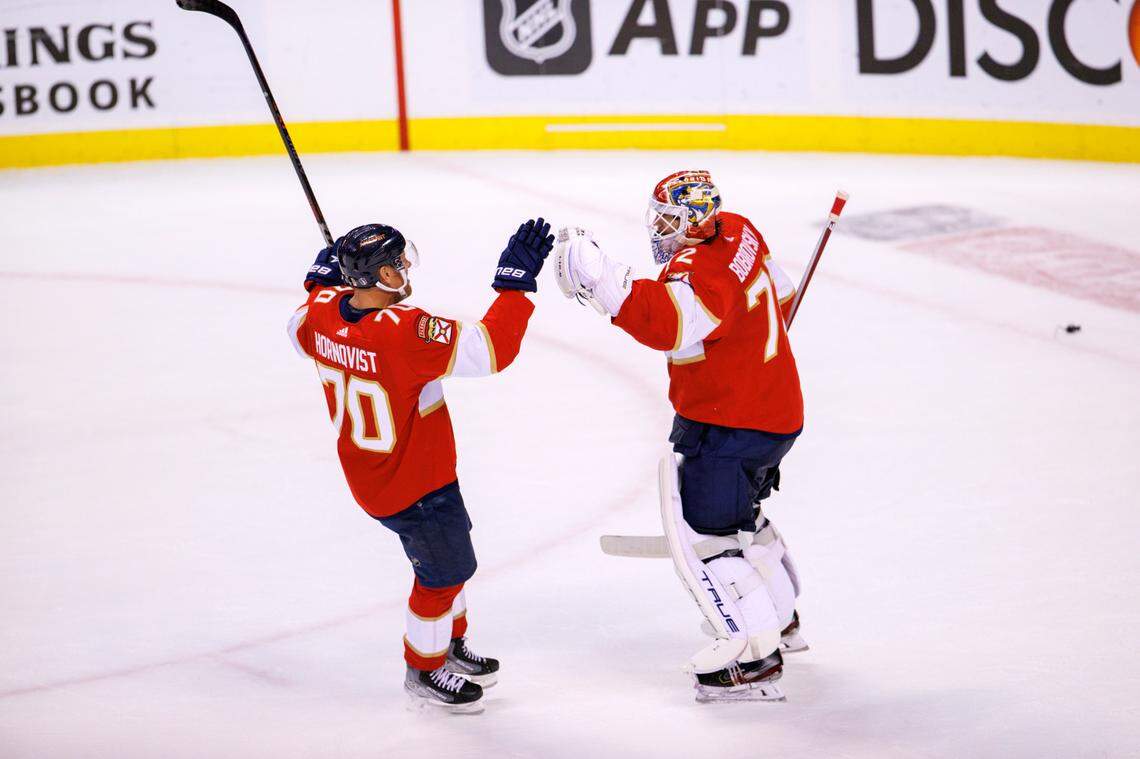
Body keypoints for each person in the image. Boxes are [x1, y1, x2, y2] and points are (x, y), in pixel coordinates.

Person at [553, 170, 807, 702]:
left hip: (729, 424)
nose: (660, 229)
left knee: (711, 539)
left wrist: (603, 281)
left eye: (670, 220)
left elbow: (667, 323)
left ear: (694, 220)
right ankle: (782, 617)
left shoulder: (699, 270)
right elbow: (781, 297)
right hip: (776, 410)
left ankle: (756, 656)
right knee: (745, 516)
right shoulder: (740, 229)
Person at [288, 219, 554, 712]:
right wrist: (514, 285)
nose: (406, 265)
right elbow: (492, 350)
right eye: (397, 261)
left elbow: (300, 324)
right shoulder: (403, 331)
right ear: (379, 276)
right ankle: (424, 668)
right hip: (414, 483)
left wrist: (318, 281)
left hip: (376, 473)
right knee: (444, 574)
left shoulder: (321, 313)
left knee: (451, 557)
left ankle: (449, 644)